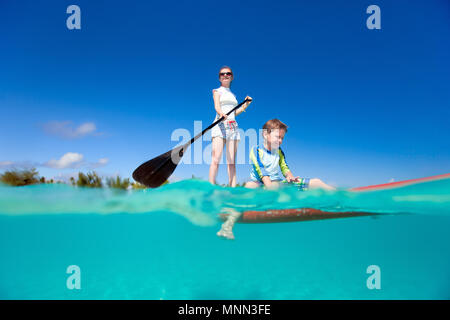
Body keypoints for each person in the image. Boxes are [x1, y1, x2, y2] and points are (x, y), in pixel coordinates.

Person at [217, 118, 335, 240]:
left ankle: (337, 194)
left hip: (276, 183)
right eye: (277, 137)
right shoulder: (256, 151)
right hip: (260, 183)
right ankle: (227, 227)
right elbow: (262, 173)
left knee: (316, 181)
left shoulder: (279, 152)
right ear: (265, 134)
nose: (280, 141)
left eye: (282, 138)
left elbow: (284, 168)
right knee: (249, 186)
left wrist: (291, 178)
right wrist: (273, 191)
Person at [209, 66, 252, 187]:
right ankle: (210, 188)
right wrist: (221, 113)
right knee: (215, 159)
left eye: (228, 73)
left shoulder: (233, 95)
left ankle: (232, 189)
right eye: (222, 74)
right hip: (219, 126)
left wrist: (245, 105)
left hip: (233, 127)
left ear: (232, 77)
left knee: (231, 162)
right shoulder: (217, 91)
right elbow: (217, 106)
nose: (225, 75)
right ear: (219, 78)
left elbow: (234, 113)